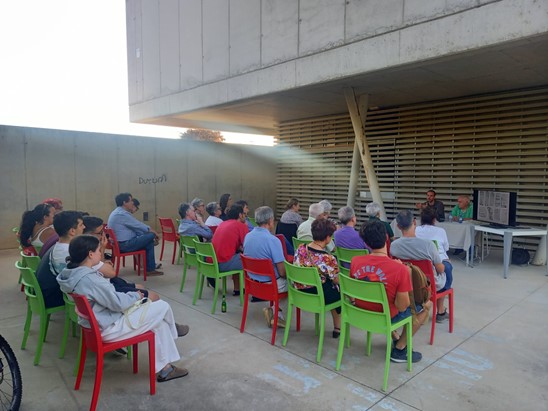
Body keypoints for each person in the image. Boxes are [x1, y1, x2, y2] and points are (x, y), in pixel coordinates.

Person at [56, 235, 189, 382]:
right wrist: (136, 296)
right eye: (99, 250)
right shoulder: (90, 279)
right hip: (108, 328)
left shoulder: (72, 274)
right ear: (90, 254)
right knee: (162, 306)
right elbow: (118, 303)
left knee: (160, 322)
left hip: (96, 325)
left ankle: (166, 369)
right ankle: (173, 330)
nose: (101, 254)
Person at [350, 221, 432, 363]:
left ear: (366, 242)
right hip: (384, 317)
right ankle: (400, 349)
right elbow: (402, 307)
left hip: (360, 313)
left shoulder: (355, 261)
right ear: (387, 237)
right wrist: (404, 274)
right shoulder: (399, 269)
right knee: (426, 306)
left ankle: (395, 337)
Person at [390, 210, 451, 323]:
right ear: (414, 222)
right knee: (447, 267)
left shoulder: (393, 246)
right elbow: (440, 269)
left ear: (398, 226)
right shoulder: (428, 245)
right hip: (427, 286)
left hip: (406, 283)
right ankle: (440, 310)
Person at [83, 216, 159, 300]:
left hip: (107, 283)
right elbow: (111, 273)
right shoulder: (88, 254)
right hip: (108, 290)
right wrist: (102, 249)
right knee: (150, 236)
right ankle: (149, 267)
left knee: (140, 286)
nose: (104, 236)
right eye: (100, 233)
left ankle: (147, 266)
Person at [293, 219, 341, 338]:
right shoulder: (327, 258)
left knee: (330, 286)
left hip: (300, 292)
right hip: (317, 295)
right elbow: (337, 280)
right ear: (328, 238)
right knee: (337, 289)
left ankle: (337, 327)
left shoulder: (300, 248)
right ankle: (337, 327)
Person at [243, 206, 287, 328]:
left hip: (253, 284)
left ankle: (274, 311)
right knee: (294, 286)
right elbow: (282, 272)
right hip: (271, 285)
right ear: (270, 221)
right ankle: (277, 314)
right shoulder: (273, 240)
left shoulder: (248, 236)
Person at [36, 211, 85, 309]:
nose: (84, 227)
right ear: (72, 231)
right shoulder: (67, 252)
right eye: (81, 225)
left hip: (48, 292)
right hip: (54, 297)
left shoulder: (59, 245)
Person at [107, 192, 163, 276]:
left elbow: (136, 228)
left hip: (120, 244)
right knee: (150, 235)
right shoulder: (122, 214)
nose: (132, 202)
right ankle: (149, 268)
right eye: (130, 200)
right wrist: (154, 233)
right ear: (124, 202)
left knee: (148, 240)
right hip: (124, 245)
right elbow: (139, 225)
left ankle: (149, 268)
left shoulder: (118, 212)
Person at [415, 208, 453, 323]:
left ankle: (420, 307)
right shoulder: (441, 231)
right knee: (447, 269)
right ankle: (440, 311)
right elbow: (446, 249)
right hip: (437, 266)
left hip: (418, 269)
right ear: (434, 220)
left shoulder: (415, 230)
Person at [212, 204, 249, 295]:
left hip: (213, 261)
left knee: (237, 256)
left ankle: (237, 289)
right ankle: (257, 291)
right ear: (240, 215)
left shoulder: (222, 223)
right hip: (223, 263)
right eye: (244, 214)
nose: (246, 216)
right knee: (252, 260)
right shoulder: (240, 225)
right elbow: (248, 246)